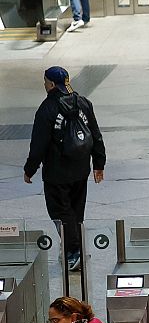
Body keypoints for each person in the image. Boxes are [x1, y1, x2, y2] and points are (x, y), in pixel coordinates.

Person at [23, 67, 105, 272]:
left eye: (45, 81)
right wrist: (99, 163)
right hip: (80, 168)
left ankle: (74, 252)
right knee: (76, 211)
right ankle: (75, 248)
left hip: (57, 172)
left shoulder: (47, 109)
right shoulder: (83, 103)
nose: (44, 85)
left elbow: (38, 145)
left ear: (51, 84)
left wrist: (30, 169)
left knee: (60, 212)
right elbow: (95, 135)